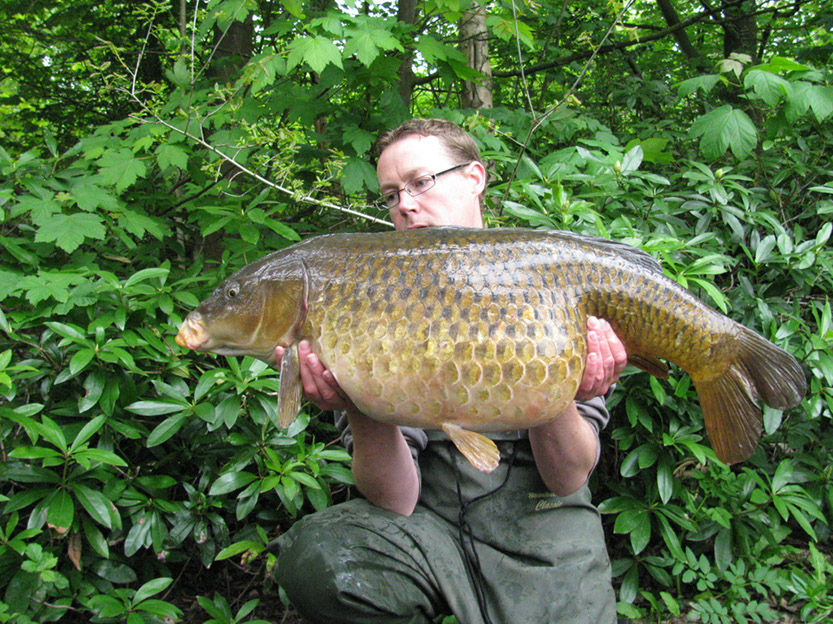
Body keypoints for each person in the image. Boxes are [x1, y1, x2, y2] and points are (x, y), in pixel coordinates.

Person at [270, 118, 627, 624]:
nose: (406, 204)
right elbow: (395, 498)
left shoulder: (552, 273)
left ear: (474, 177)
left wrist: (557, 388)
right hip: (428, 529)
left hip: (545, 524)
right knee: (320, 557)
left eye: (420, 182)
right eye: (391, 195)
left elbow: (568, 476)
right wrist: (360, 405)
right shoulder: (365, 296)